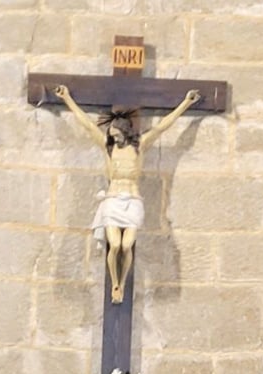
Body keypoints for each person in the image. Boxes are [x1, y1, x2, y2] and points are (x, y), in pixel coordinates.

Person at [53, 85, 201, 304]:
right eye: (112, 132)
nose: (112, 134)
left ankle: (121, 281)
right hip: (112, 202)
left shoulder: (139, 146)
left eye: (115, 131)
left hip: (132, 202)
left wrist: (186, 103)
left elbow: (162, 127)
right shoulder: (108, 148)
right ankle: (116, 284)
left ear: (123, 130)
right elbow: (85, 123)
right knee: (114, 245)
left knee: (126, 244)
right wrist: (66, 98)